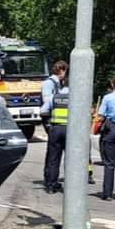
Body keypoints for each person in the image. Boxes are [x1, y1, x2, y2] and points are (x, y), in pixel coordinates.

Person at [41, 60, 69, 194]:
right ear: (61, 70)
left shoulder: (55, 95)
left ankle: (51, 184)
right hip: (68, 129)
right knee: (69, 158)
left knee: (53, 157)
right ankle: (66, 184)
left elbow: (43, 109)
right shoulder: (50, 84)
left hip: (55, 127)